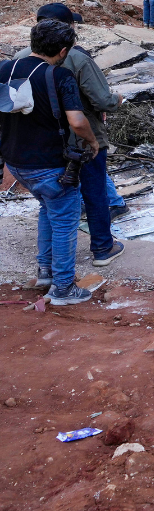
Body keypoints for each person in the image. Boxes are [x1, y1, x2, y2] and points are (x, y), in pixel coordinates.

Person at [16, 4, 129, 269]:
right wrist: (118, 100)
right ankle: (102, 247)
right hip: (81, 141)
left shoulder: (19, 60)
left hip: (41, 144)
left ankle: (48, 264)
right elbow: (101, 101)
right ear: (66, 31)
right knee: (94, 192)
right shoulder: (76, 59)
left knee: (50, 204)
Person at [0, 20, 101, 305]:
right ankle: (64, 288)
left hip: (16, 162)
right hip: (50, 164)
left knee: (47, 210)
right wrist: (93, 143)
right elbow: (78, 122)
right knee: (65, 222)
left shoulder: (5, 69)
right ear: (63, 50)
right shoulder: (59, 76)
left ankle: (45, 271)